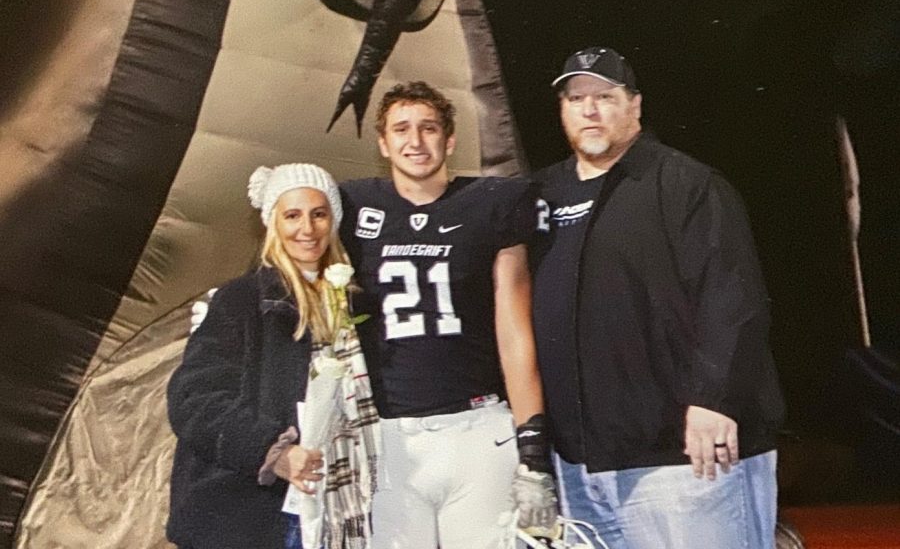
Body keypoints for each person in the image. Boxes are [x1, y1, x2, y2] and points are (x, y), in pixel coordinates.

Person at [528, 47, 785, 548]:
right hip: (581, 471)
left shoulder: (686, 183)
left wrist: (714, 400)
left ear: (636, 106)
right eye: (576, 99)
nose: (590, 110)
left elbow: (732, 298)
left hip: (683, 460)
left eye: (605, 96)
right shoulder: (540, 195)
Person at [339, 81, 556, 549]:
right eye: (401, 129)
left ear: (450, 140)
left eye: (428, 128)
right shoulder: (351, 207)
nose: (415, 141)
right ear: (382, 143)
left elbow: (514, 331)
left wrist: (532, 444)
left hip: (476, 430)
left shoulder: (491, 204)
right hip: (388, 437)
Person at [167, 163, 380, 549]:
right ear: (272, 224)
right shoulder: (239, 302)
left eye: (319, 214)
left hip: (337, 508)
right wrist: (271, 451)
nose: (307, 228)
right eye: (292, 215)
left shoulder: (356, 304)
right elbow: (193, 400)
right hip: (249, 515)